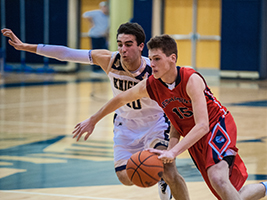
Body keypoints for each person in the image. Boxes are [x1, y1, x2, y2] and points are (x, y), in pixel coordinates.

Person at [72, 34, 267, 200]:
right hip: (194, 136)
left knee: (218, 179)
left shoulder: (191, 79)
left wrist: (173, 151)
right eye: (150, 59)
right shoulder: (152, 85)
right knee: (232, 194)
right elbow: (121, 99)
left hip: (216, 126)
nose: (152, 64)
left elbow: (202, 125)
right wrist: (93, 119)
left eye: (158, 59)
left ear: (172, 58)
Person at [1, 23, 190, 200]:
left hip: (155, 123)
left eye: (128, 44)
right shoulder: (109, 60)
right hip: (125, 125)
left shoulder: (155, 68)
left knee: (169, 170)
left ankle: (165, 179)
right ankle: (159, 177)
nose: (123, 49)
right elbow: (66, 53)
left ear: (141, 46)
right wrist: (26, 46)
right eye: (120, 44)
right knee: (126, 177)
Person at [83, 1, 109, 72]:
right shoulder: (97, 13)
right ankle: (95, 68)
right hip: (95, 35)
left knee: (103, 53)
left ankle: (102, 67)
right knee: (94, 53)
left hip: (103, 36)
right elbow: (85, 14)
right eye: (104, 7)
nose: (105, 8)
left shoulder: (109, 16)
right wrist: (91, 22)